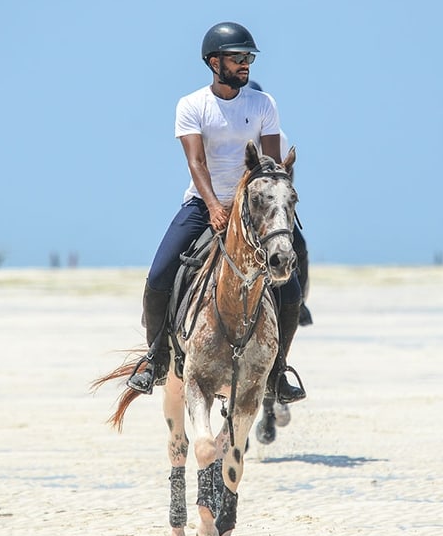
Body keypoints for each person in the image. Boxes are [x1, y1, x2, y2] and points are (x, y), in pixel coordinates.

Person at [127, 22, 307, 404]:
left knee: (289, 290)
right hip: (201, 202)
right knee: (160, 274)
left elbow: (269, 165)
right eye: (238, 58)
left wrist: (264, 208)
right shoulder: (192, 105)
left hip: (251, 209)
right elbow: (196, 163)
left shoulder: (264, 104)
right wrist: (212, 207)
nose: (246, 65)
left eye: (249, 59)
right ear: (214, 62)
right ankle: (155, 358)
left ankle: (278, 371)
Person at [247, 80, 313, 327]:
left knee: (300, 247)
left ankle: (300, 304)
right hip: (227, 202)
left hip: (266, 208)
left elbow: (284, 176)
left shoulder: (279, 137)